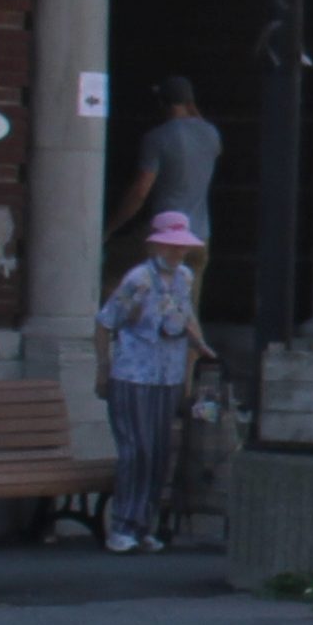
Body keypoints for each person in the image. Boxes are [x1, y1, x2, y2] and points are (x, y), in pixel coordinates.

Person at [94, 212, 215, 552]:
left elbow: (185, 317)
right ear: (156, 244)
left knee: (160, 452)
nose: (177, 254)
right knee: (137, 450)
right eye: (171, 246)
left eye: (181, 248)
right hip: (134, 374)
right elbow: (106, 322)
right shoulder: (138, 279)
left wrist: (198, 347)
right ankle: (123, 525)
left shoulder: (184, 278)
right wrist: (102, 369)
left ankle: (144, 523)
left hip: (168, 374)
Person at [117, 74, 220, 268]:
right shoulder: (211, 134)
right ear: (189, 102)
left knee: (112, 271)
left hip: (164, 237)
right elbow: (216, 148)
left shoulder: (156, 138)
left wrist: (110, 229)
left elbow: (140, 191)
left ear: (162, 104)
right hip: (199, 237)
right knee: (185, 297)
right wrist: (192, 108)